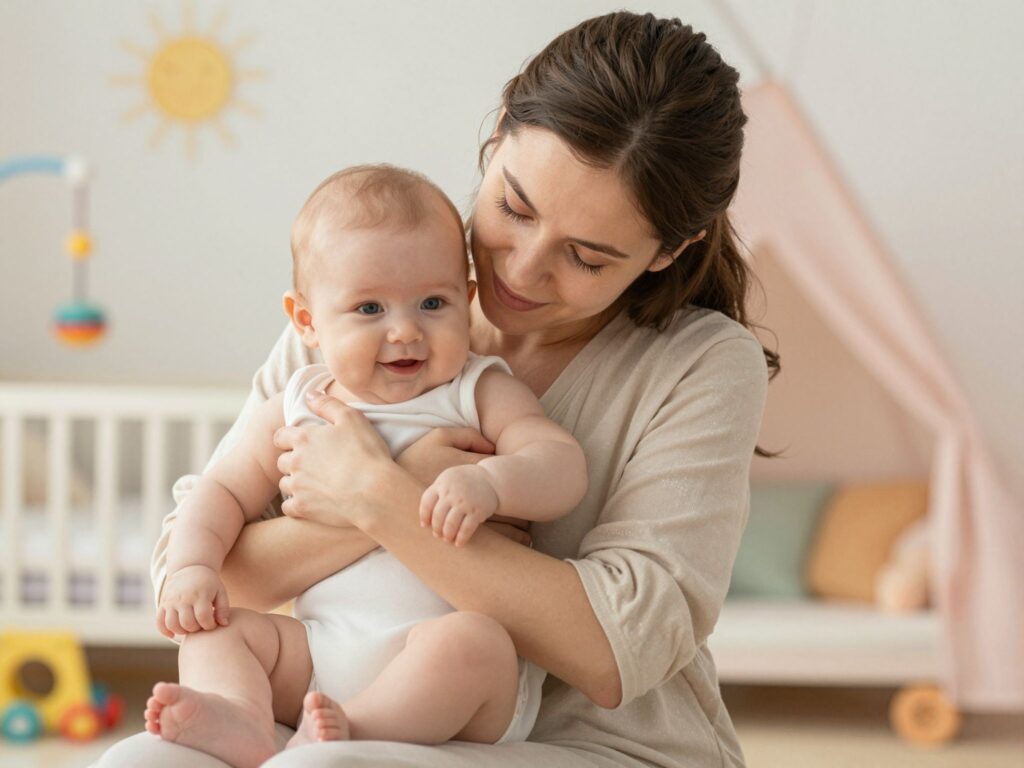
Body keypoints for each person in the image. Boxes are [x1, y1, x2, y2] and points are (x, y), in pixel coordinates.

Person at [97, 10, 776, 768]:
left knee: (330, 764)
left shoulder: (702, 364)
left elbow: (620, 648)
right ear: (494, 144)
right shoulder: (368, 286)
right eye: (513, 208)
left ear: (667, 251)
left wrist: (378, 496)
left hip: (596, 743)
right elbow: (211, 572)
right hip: (334, 693)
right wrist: (395, 492)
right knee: (140, 761)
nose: (519, 271)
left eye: (585, 257)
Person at [145, 165, 586, 767]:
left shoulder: (476, 390)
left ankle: (353, 729)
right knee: (217, 633)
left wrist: (491, 480)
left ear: (468, 299)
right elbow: (220, 490)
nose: (405, 330)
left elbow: (559, 463)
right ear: (306, 321)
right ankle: (243, 716)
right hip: (319, 654)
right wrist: (191, 564)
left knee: (476, 643)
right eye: (369, 308)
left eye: (433, 302)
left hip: (447, 673)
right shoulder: (296, 403)